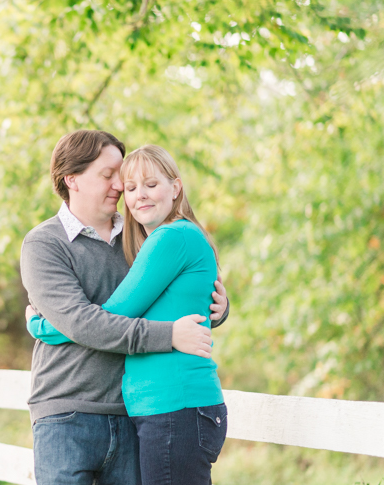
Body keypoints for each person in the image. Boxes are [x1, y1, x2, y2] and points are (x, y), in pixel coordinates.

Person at [20, 131, 229, 485]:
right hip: (67, 413)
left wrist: (217, 309)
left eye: (123, 175)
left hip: (131, 414)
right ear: (72, 179)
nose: (121, 185)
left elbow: (176, 294)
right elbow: (82, 322)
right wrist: (169, 335)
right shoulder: (44, 244)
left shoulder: (140, 237)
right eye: (108, 175)